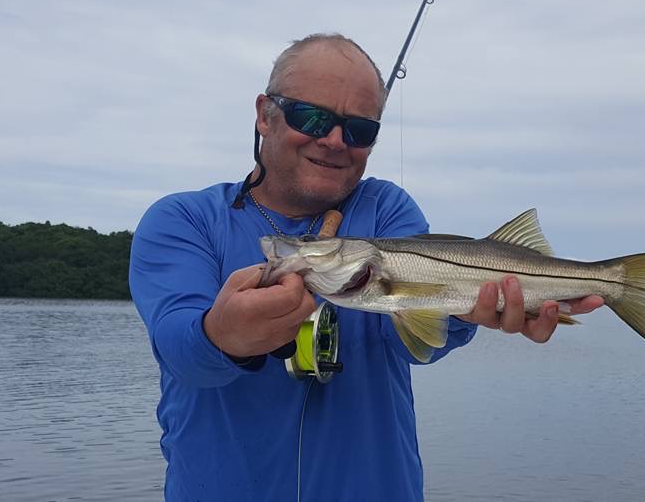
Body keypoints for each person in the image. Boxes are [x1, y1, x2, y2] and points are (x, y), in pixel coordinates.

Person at [129, 33, 603, 502]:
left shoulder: (386, 208)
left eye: (359, 129)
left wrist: (462, 313)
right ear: (263, 115)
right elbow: (178, 350)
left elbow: (413, 345)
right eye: (311, 117)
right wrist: (224, 336)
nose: (335, 141)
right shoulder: (182, 220)